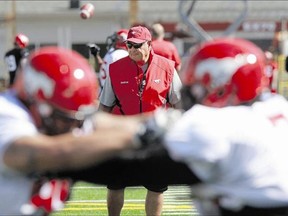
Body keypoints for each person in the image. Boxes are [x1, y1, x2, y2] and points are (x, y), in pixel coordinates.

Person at [60, 37, 288, 216]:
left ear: (218, 87)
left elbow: (132, 163)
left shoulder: (212, 125)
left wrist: (57, 160)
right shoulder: (277, 106)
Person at [0, 46, 154, 215]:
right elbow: (41, 152)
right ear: (37, 103)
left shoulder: (58, 119)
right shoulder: (7, 114)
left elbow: (99, 122)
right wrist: (135, 138)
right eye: (66, 120)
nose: (74, 128)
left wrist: (157, 122)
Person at [99, 25, 182, 216]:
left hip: (155, 136)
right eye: (129, 45)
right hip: (122, 134)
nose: (133, 49)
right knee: (116, 184)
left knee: (156, 186)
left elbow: (179, 104)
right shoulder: (116, 68)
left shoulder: (167, 67)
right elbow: (105, 105)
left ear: (149, 44)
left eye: (137, 45)